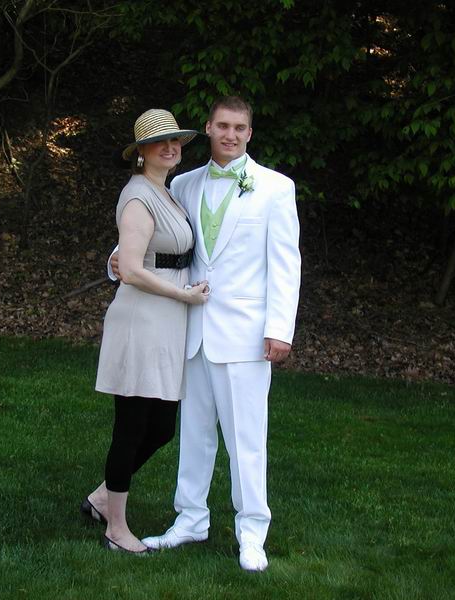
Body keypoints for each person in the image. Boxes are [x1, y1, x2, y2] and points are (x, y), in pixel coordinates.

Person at [110, 96, 301, 571]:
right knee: (194, 437)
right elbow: (151, 239)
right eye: (222, 126)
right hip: (190, 331)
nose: (230, 135)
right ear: (209, 129)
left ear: (249, 133)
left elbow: (286, 264)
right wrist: (114, 264)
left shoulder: (276, 188)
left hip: (246, 335)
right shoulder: (184, 183)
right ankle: (190, 519)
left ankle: (252, 532)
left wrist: (280, 329)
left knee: (246, 441)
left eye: (239, 127)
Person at [81, 109, 210, 555]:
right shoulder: (138, 195)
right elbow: (132, 269)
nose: (170, 148)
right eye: (160, 142)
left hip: (166, 321)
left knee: (161, 428)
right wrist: (183, 296)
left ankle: (103, 498)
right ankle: (116, 529)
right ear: (141, 152)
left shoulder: (167, 191)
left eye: (175, 141)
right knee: (132, 427)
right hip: (143, 319)